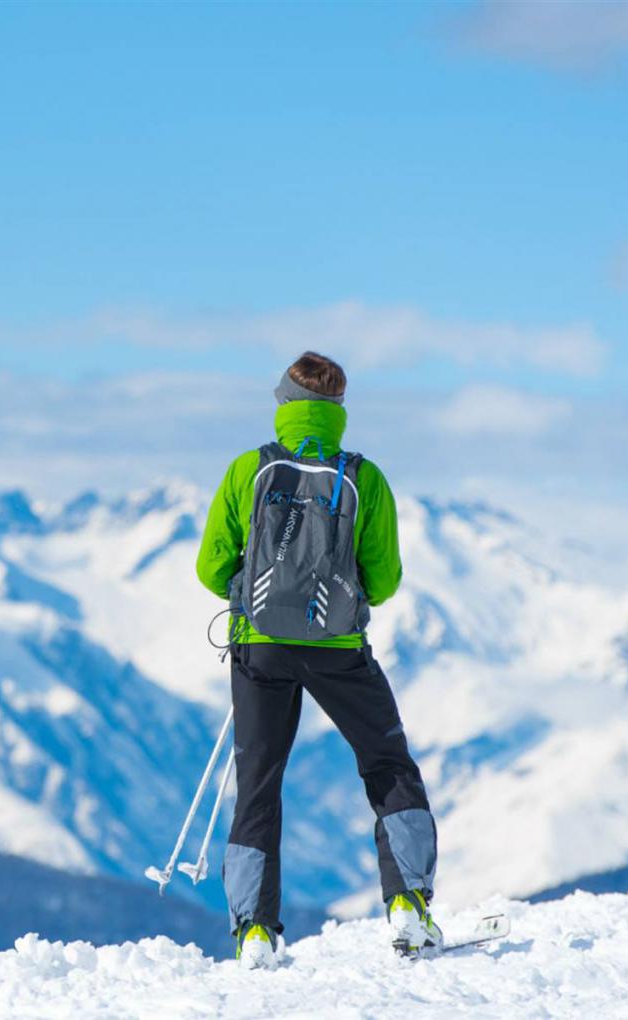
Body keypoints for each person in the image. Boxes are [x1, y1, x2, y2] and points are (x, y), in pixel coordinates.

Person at [195, 351, 440, 969]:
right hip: (337, 650)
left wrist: (252, 595)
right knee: (386, 764)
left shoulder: (248, 471)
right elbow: (384, 580)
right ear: (339, 410)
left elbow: (209, 567)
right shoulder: (364, 477)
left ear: (282, 404)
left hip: (260, 647)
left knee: (259, 783)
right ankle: (408, 902)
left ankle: (254, 931)